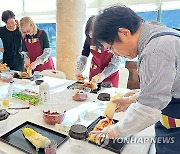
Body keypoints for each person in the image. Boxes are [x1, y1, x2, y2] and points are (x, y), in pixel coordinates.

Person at [90, 5, 180, 154]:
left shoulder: (155, 50)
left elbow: (148, 110)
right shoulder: (159, 34)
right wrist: (133, 99)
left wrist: (113, 131)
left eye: (111, 47)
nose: (115, 54)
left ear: (124, 32)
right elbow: (166, 88)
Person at [75, 16, 121, 87]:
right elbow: (84, 55)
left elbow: (115, 62)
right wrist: (78, 70)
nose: (90, 36)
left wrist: (103, 75)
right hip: (94, 71)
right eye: (88, 34)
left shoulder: (111, 40)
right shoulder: (89, 39)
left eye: (92, 34)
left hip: (110, 73)